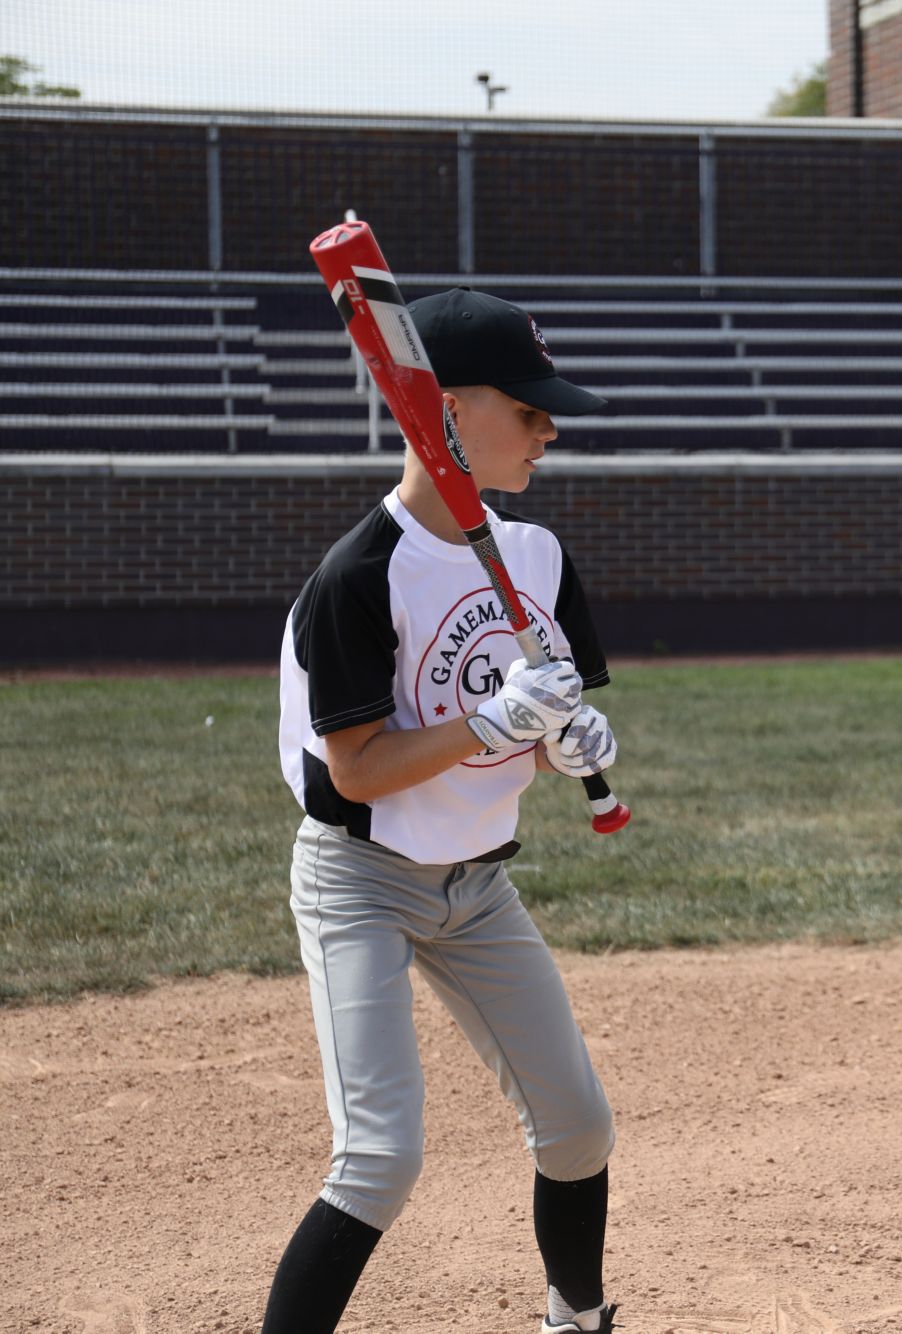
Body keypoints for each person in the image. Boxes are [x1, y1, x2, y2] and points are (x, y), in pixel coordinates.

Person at [265, 287, 622, 1334]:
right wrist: (492, 715)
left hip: (478, 883)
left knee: (576, 1127)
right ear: (449, 412)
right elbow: (363, 771)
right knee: (379, 1155)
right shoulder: (357, 576)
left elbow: (542, 710)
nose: (549, 429)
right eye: (530, 408)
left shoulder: (537, 556)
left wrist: (567, 742)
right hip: (361, 878)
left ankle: (578, 1319)